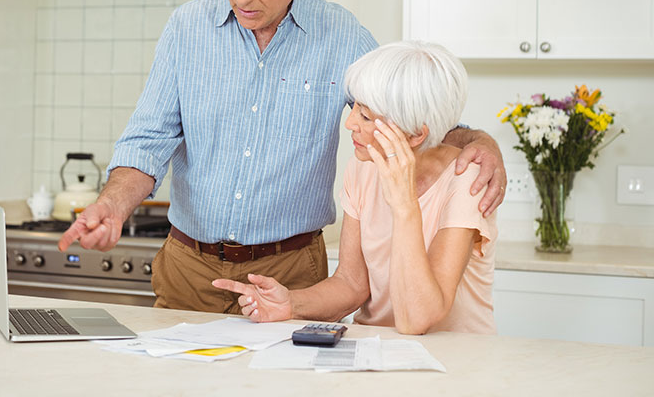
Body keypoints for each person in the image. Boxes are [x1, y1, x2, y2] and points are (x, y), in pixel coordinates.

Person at [58, 0, 507, 314]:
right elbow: (149, 139)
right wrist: (113, 205)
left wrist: (480, 141)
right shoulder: (186, 29)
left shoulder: (343, 37)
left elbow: (409, 116)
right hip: (187, 267)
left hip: (292, 272)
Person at [213, 41, 497, 334]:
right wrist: (290, 303)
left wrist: (404, 205)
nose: (349, 123)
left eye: (365, 115)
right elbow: (352, 283)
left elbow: (418, 318)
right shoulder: (364, 166)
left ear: (414, 134)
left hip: (456, 359)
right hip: (378, 347)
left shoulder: (466, 181)